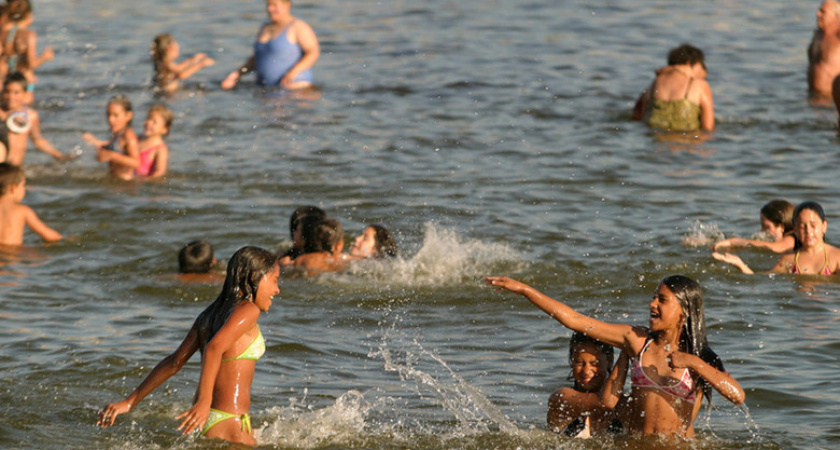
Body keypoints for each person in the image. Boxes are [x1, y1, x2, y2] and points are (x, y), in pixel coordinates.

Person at [485, 275, 744, 437]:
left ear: (684, 310)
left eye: (662, 300)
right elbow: (575, 320)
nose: (652, 304)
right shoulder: (636, 340)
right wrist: (524, 290)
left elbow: (737, 395)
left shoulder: (701, 356)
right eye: (654, 297)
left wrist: (693, 362)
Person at [97, 246, 280, 446]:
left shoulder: (209, 315)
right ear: (254, 277)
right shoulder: (249, 310)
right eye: (274, 280)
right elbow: (214, 348)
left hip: (210, 421)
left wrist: (130, 401)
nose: (277, 290)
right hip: (230, 423)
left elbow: (174, 362)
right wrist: (204, 400)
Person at [714, 201, 840, 275]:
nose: (808, 231)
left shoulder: (836, 257)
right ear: (795, 229)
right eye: (802, 226)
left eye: (813, 226)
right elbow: (761, 279)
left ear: (824, 226)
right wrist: (739, 264)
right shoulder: (789, 260)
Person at [221, 0, 320, 91]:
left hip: (295, 89)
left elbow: (313, 52)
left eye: (274, 5)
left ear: (287, 5)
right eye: (268, 5)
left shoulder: (298, 27)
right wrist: (238, 74)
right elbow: (257, 58)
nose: (270, 9)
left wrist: (293, 73)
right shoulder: (265, 28)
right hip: (267, 90)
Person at [547, 332, 622, 438]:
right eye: (579, 362)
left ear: (610, 361)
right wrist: (625, 353)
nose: (586, 371)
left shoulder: (623, 404)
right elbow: (606, 402)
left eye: (595, 363)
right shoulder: (562, 399)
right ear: (571, 362)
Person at [632, 44, 714, 132]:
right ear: (689, 63)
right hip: (686, 141)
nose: (704, 69)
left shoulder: (654, 83)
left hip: (656, 142)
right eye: (701, 64)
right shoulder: (700, 85)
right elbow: (708, 128)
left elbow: (637, 115)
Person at [0, 72, 67, 164]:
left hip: (16, 168)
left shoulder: (31, 115)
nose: (11, 97)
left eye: (16, 93)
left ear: (25, 94)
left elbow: (37, 140)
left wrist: (58, 155)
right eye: (7, 92)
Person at [0, 0, 54, 102]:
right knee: (25, 109)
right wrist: (44, 56)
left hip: (5, 79)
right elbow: (32, 64)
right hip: (23, 80)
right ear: (29, 15)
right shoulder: (29, 35)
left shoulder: (3, 34)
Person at [0, 161, 61, 245]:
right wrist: (68, 239)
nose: (24, 189)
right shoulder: (22, 210)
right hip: (12, 254)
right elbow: (49, 235)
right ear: (13, 188)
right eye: (22, 185)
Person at [82, 94, 140, 180]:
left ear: (128, 116)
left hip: (125, 184)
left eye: (115, 115)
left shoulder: (128, 135)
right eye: (108, 115)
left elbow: (136, 162)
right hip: (116, 181)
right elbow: (115, 147)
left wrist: (111, 156)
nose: (110, 119)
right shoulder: (118, 135)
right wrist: (95, 142)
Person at [714, 199, 796, 253]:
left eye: (766, 227)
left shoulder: (792, 238)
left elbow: (776, 248)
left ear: (781, 227)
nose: (762, 231)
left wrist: (732, 241)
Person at [809, 0, 840, 101]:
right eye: (819, 10)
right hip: (813, 97)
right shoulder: (817, 36)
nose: (817, 14)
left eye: (823, 11)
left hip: (832, 102)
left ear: (836, 16)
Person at [135, 104, 172, 178]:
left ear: (164, 129)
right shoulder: (138, 138)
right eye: (148, 118)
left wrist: (146, 180)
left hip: (142, 181)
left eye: (154, 122)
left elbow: (160, 172)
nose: (148, 123)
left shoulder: (160, 149)